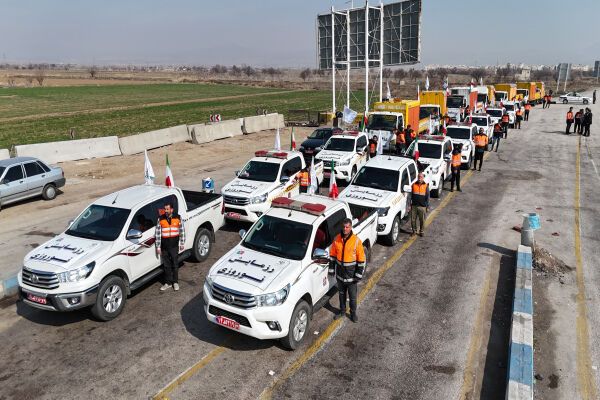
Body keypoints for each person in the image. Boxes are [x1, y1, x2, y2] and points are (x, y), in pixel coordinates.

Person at [328, 218, 365, 323]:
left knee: (352, 297)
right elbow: (332, 256)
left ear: (350, 227)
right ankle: (342, 311)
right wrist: (331, 269)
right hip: (340, 275)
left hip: (352, 276)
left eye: (347, 227)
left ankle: (353, 314)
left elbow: (361, 259)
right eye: (344, 227)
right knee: (341, 295)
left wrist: (358, 274)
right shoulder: (337, 239)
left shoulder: (356, 241)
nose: (345, 229)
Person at [155, 201, 185, 291]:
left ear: (172, 209)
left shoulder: (178, 218)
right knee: (167, 266)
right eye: (165, 209)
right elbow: (157, 234)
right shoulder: (160, 219)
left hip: (174, 246)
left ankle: (175, 282)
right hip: (164, 247)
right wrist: (158, 247)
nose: (166, 211)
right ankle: (168, 283)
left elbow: (182, 231)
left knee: (175, 265)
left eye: (167, 209)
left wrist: (182, 243)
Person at [407, 173, 430, 237]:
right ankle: (414, 231)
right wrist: (409, 205)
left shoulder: (426, 186)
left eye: (421, 177)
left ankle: (421, 231)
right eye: (419, 177)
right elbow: (409, 196)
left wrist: (428, 207)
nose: (420, 178)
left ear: (423, 178)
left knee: (422, 220)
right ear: (417, 177)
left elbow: (428, 197)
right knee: (413, 220)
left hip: (422, 206)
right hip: (414, 206)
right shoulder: (413, 185)